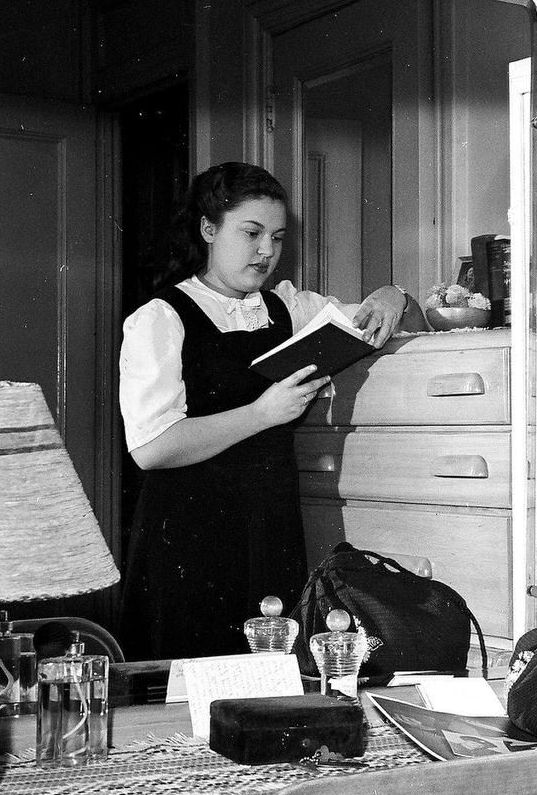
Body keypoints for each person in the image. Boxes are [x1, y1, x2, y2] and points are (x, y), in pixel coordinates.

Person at [117, 161, 409, 660]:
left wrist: (392, 294)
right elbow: (150, 449)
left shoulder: (286, 309)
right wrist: (262, 413)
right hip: (189, 531)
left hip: (268, 523)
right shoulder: (161, 318)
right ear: (209, 229)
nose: (266, 251)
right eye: (251, 233)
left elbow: (371, 319)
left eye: (276, 237)